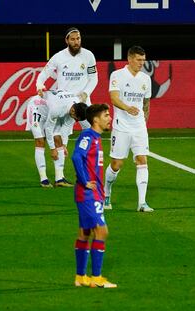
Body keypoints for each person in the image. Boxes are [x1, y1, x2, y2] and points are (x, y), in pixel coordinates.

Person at [36, 27, 98, 186]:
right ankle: (60, 177)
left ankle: (88, 169)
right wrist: (40, 85)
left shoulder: (88, 55)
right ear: (67, 40)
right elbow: (44, 73)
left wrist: (85, 93)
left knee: (90, 134)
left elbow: (93, 78)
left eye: (78, 39)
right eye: (73, 39)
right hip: (64, 105)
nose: (76, 42)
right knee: (59, 136)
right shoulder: (58, 57)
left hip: (83, 105)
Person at [72, 103, 117, 288]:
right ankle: (96, 278)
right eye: (106, 115)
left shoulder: (96, 138)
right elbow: (76, 157)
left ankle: (80, 277)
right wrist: (84, 181)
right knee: (102, 231)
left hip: (94, 192)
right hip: (88, 193)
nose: (109, 118)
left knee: (85, 232)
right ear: (96, 119)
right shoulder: (88, 136)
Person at [103, 46, 153, 212]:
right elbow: (114, 98)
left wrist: (144, 120)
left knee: (142, 160)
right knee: (117, 164)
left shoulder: (146, 79)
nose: (141, 63)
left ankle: (142, 203)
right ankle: (106, 193)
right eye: (139, 60)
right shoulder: (117, 75)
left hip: (139, 127)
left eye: (143, 60)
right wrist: (127, 108)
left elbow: (146, 103)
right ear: (130, 59)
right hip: (121, 127)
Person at [26, 90, 87, 187]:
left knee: (58, 140)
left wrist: (64, 145)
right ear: (73, 111)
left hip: (51, 108)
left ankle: (59, 179)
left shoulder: (76, 107)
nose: (75, 121)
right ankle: (44, 180)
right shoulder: (57, 109)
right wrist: (52, 149)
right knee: (40, 141)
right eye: (76, 118)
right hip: (38, 107)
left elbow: (66, 127)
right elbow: (48, 128)